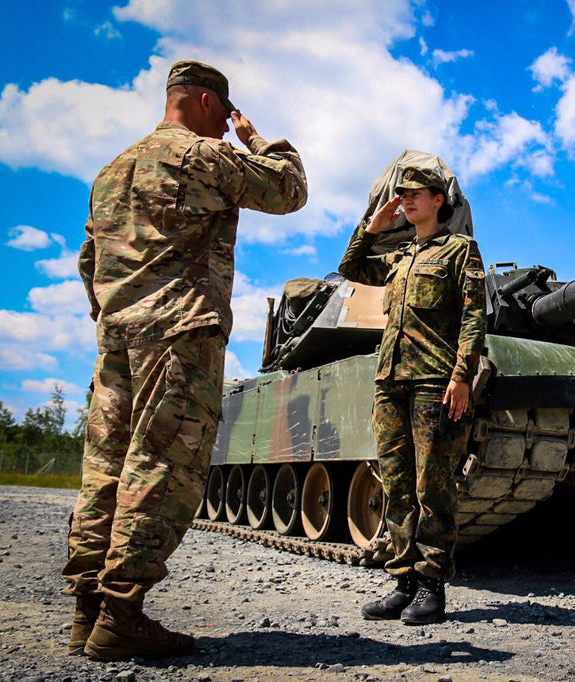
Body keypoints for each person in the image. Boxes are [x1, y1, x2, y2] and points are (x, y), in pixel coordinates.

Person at [63, 60, 308, 660]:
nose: (225, 126)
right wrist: (256, 136)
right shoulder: (202, 156)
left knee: (107, 468)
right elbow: (289, 190)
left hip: (117, 336)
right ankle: (122, 615)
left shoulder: (111, 171)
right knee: (162, 465)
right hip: (178, 336)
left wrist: (115, 312)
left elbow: (87, 261)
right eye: (222, 114)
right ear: (203, 101)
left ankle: (85, 613)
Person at [339, 166, 486, 625]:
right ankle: (402, 581)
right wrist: (371, 229)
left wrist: (462, 376)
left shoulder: (460, 251)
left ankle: (431, 586)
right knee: (397, 485)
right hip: (390, 381)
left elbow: (473, 316)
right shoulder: (399, 256)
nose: (405, 200)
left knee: (432, 486)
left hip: (434, 382)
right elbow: (350, 270)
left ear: (438, 200)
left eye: (415, 194)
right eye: (402, 194)